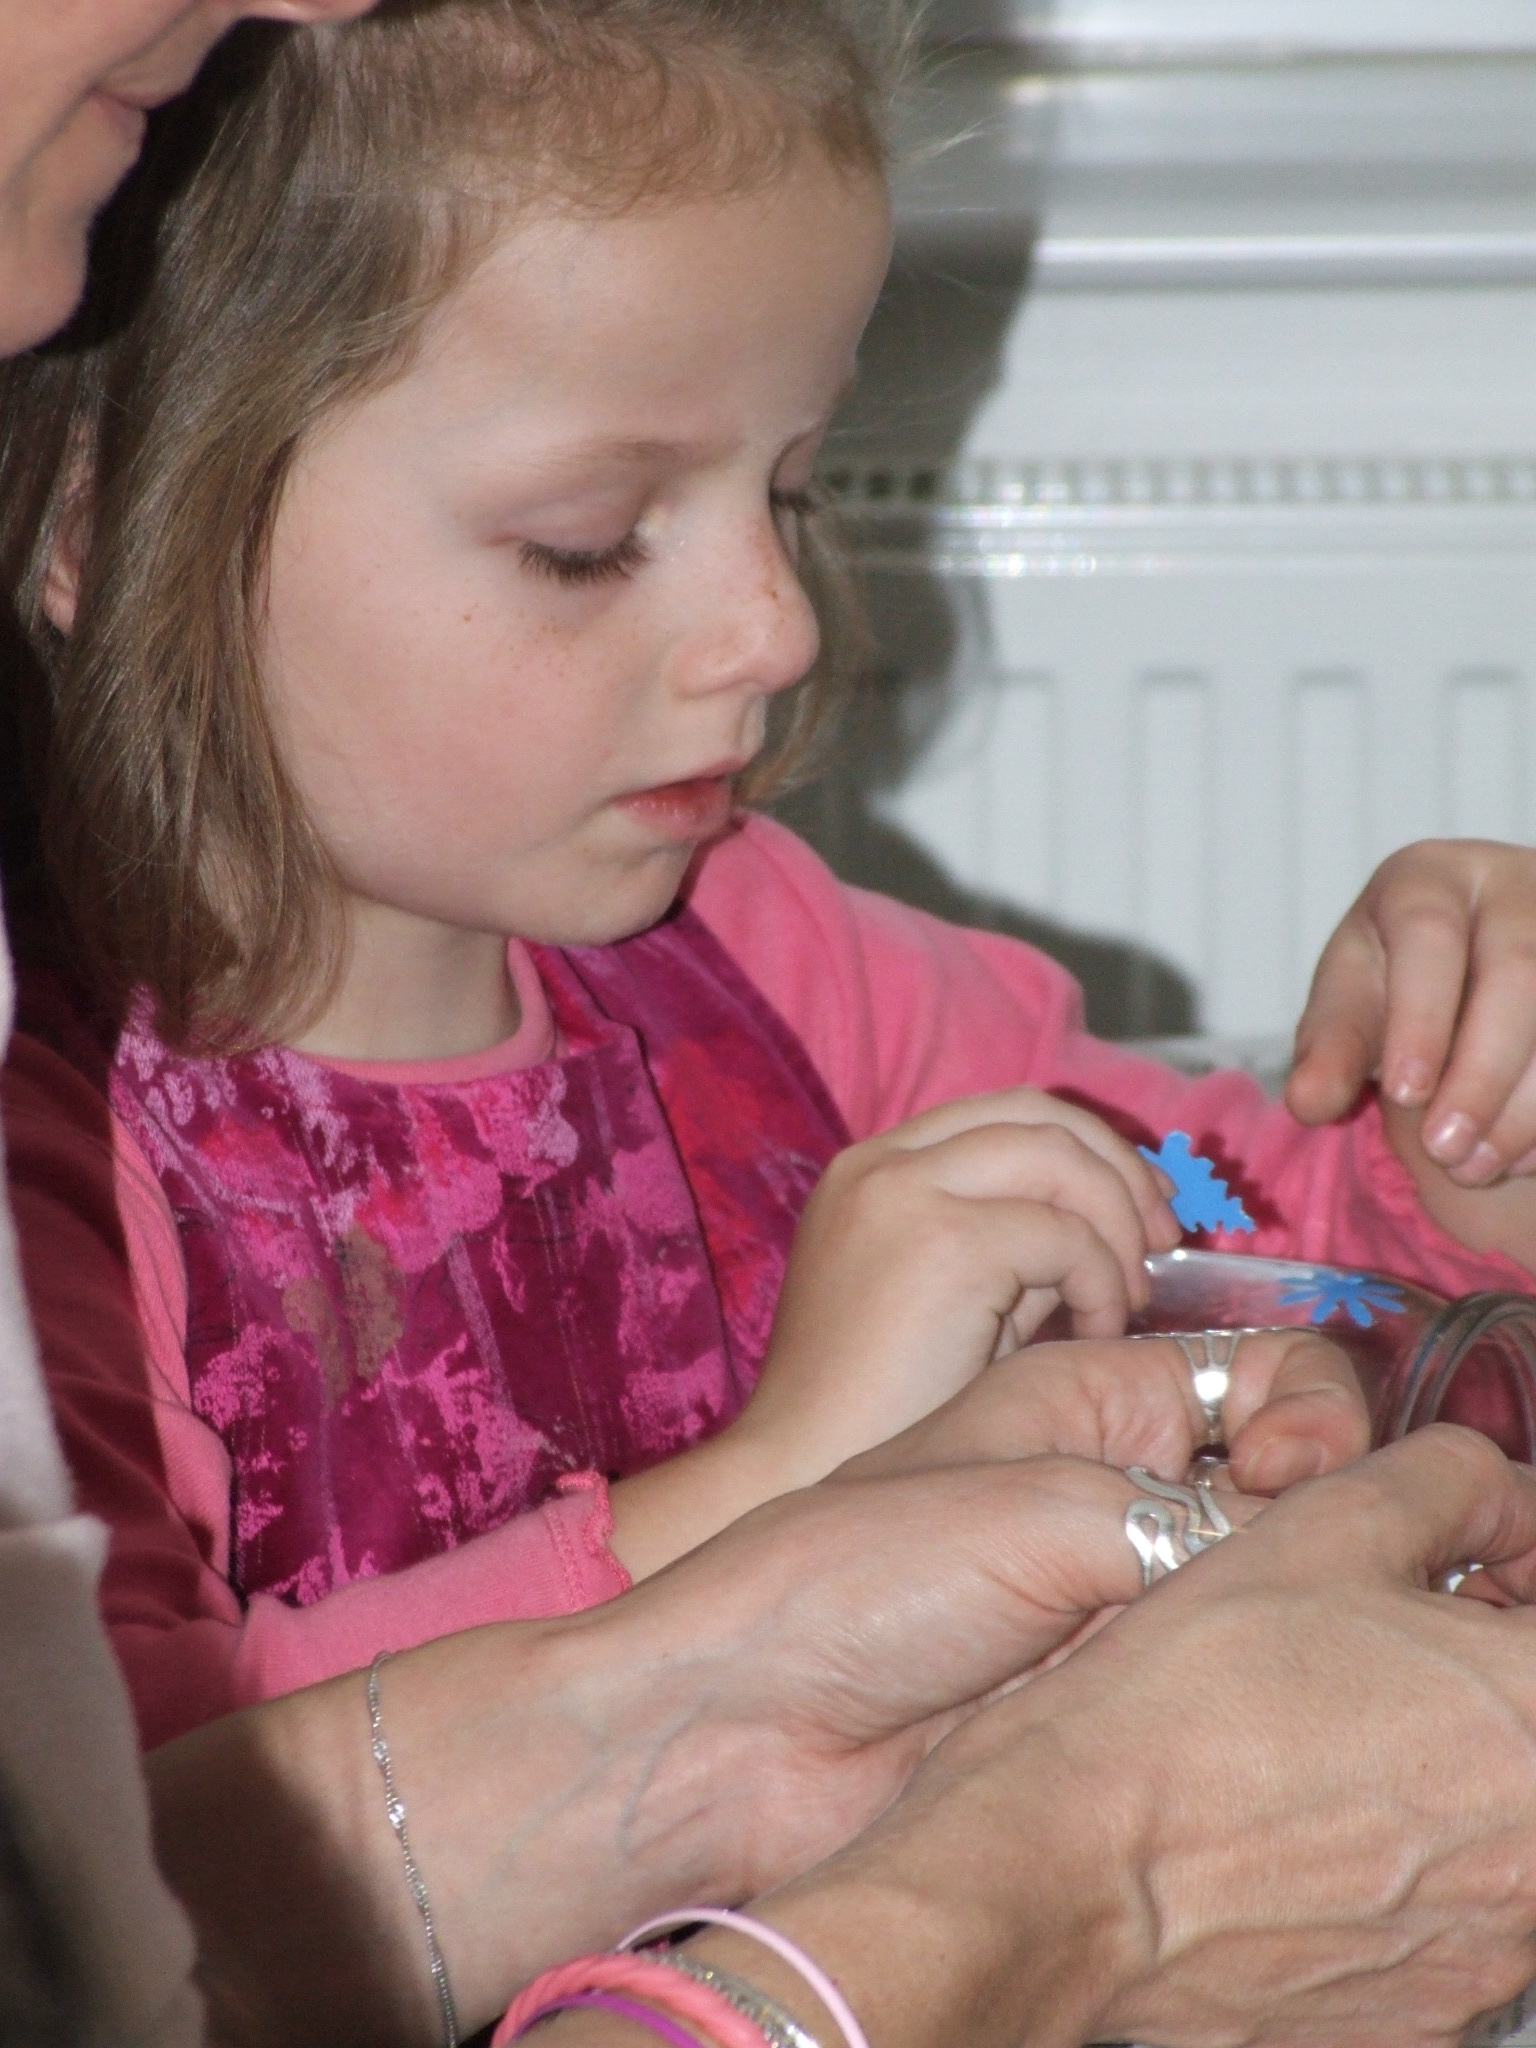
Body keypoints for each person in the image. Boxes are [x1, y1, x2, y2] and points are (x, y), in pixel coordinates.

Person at [6, 7, 1536, 2048]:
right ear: (96, 521)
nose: (779, 626)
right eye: (589, 540)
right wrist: (782, 1476)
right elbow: (112, 1869)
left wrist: (1459, 1138)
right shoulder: (54, 1173)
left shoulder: (764, 954)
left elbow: (1262, 1233)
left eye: (793, 492)